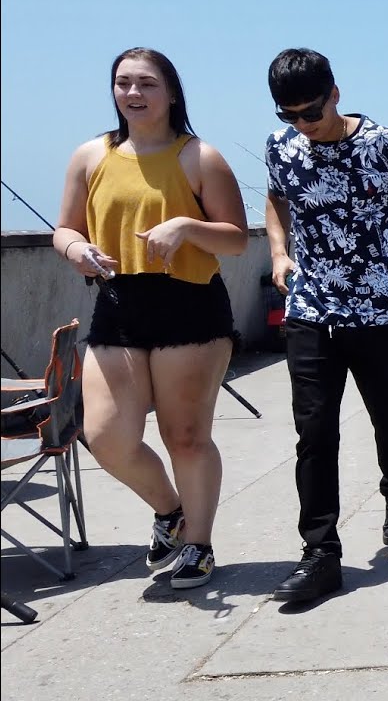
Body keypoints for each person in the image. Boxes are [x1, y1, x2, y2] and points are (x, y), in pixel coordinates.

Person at [262, 48, 388, 602]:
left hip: (380, 308)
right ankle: (320, 553)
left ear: (335, 95)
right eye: (289, 115)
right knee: (314, 431)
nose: (303, 124)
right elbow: (277, 198)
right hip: (311, 308)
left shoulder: (385, 144)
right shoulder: (282, 147)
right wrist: (279, 252)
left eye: (311, 111)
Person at [52, 47, 249, 590]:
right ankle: (170, 512)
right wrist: (75, 251)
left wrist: (186, 226)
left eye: (146, 84)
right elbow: (64, 228)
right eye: (123, 83)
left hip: (189, 305)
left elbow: (236, 238)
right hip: (118, 304)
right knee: (105, 435)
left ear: (171, 92)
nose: (133, 94)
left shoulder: (199, 157)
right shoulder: (91, 155)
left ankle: (199, 546)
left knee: (185, 436)